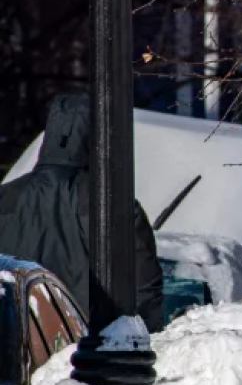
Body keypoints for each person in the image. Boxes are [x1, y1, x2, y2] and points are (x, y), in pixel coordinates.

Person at [0, 94, 164, 331]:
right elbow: (142, 287)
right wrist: (146, 341)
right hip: (90, 350)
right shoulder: (111, 205)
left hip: (14, 346)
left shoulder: (6, 198)